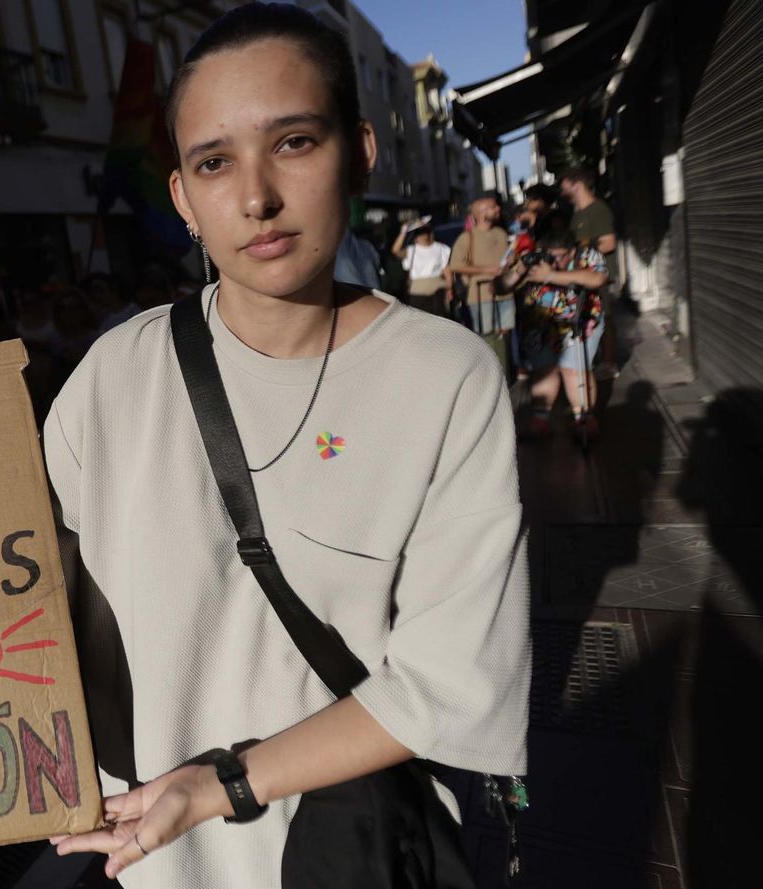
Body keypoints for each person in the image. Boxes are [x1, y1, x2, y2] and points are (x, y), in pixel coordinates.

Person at [45, 5, 528, 885]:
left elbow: (447, 682)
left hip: (345, 851)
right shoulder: (115, 374)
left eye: (295, 142)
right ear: (183, 197)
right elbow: (21, 585)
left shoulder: (446, 379)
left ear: (362, 151)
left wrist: (218, 784)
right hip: (150, 860)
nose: (257, 196)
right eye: (215, 162)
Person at [499, 221, 610, 441]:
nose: (555, 261)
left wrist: (550, 276)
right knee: (544, 370)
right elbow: (501, 287)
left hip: (581, 321)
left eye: (560, 256)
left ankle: (583, 418)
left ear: (572, 250)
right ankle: (540, 420)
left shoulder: (588, 255)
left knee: (574, 368)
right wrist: (520, 269)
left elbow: (598, 278)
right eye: (551, 256)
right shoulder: (533, 257)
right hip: (540, 325)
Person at [559, 167, 619, 378]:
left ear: (576, 183)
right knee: (592, 317)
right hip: (583, 277)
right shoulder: (577, 214)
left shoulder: (598, 210)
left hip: (601, 275)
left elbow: (609, 242)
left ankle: (609, 363)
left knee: (605, 318)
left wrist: (583, 255)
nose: (561, 187)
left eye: (564, 182)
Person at [448, 193, 514, 370]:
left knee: (504, 337)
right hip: (481, 295)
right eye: (493, 207)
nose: (498, 209)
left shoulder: (501, 233)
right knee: (487, 339)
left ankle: (505, 378)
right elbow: (455, 265)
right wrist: (488, 270)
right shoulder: (467, 237)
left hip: (505, 293)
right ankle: (491, 377)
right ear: (482, 213)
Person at [390, 217, 450, 315]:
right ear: (415, 236)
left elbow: (447, 270)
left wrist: (450, 288)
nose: (423, 235)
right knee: (420, 319)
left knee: (439, 319)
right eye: (419, 232)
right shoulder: (411, 250)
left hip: (438, 286)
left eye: (425, 231)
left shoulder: (441, 248)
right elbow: (395, 251)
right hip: (418, 289)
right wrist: (403, 232)